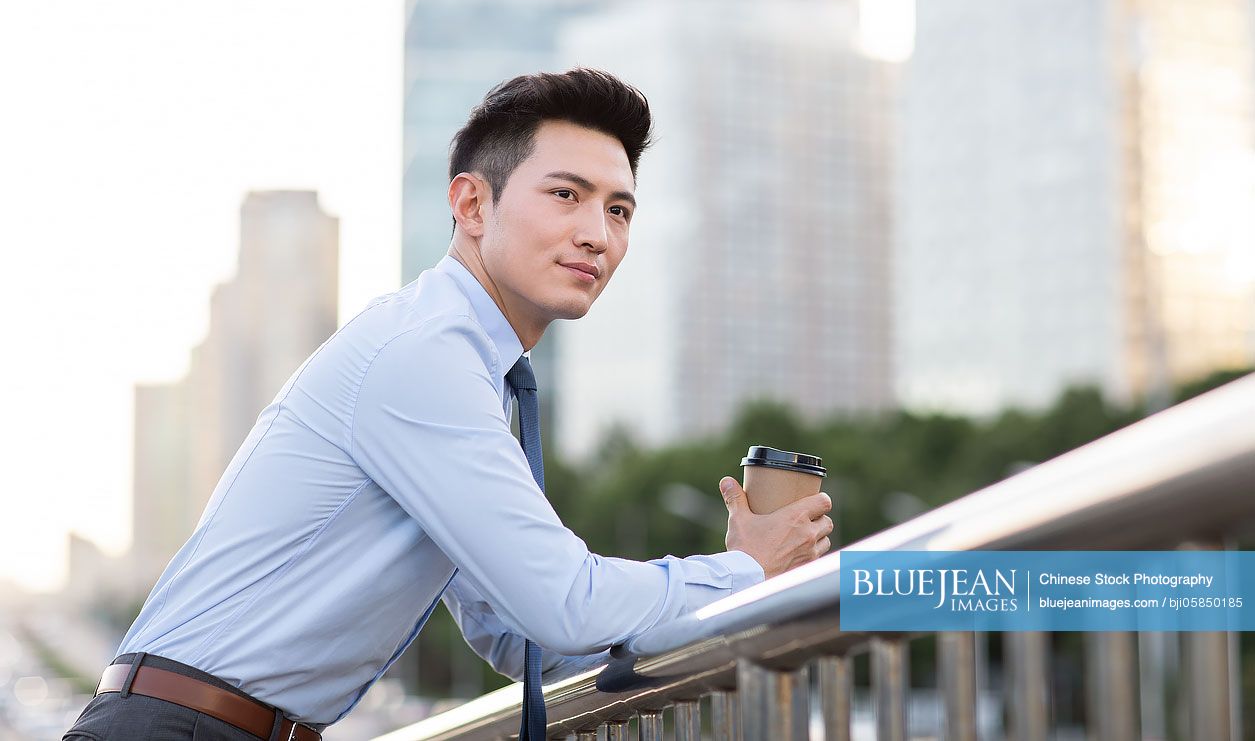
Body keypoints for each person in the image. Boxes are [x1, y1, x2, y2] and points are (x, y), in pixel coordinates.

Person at [64, 68, 834, 741]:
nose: (596, 234)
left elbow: (516, 630)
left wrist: (738, 601)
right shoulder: (422, 356)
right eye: (565, 194)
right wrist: (739, 569)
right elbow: (562, 600)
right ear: (471, 204)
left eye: (619, 210)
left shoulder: (461, 366)